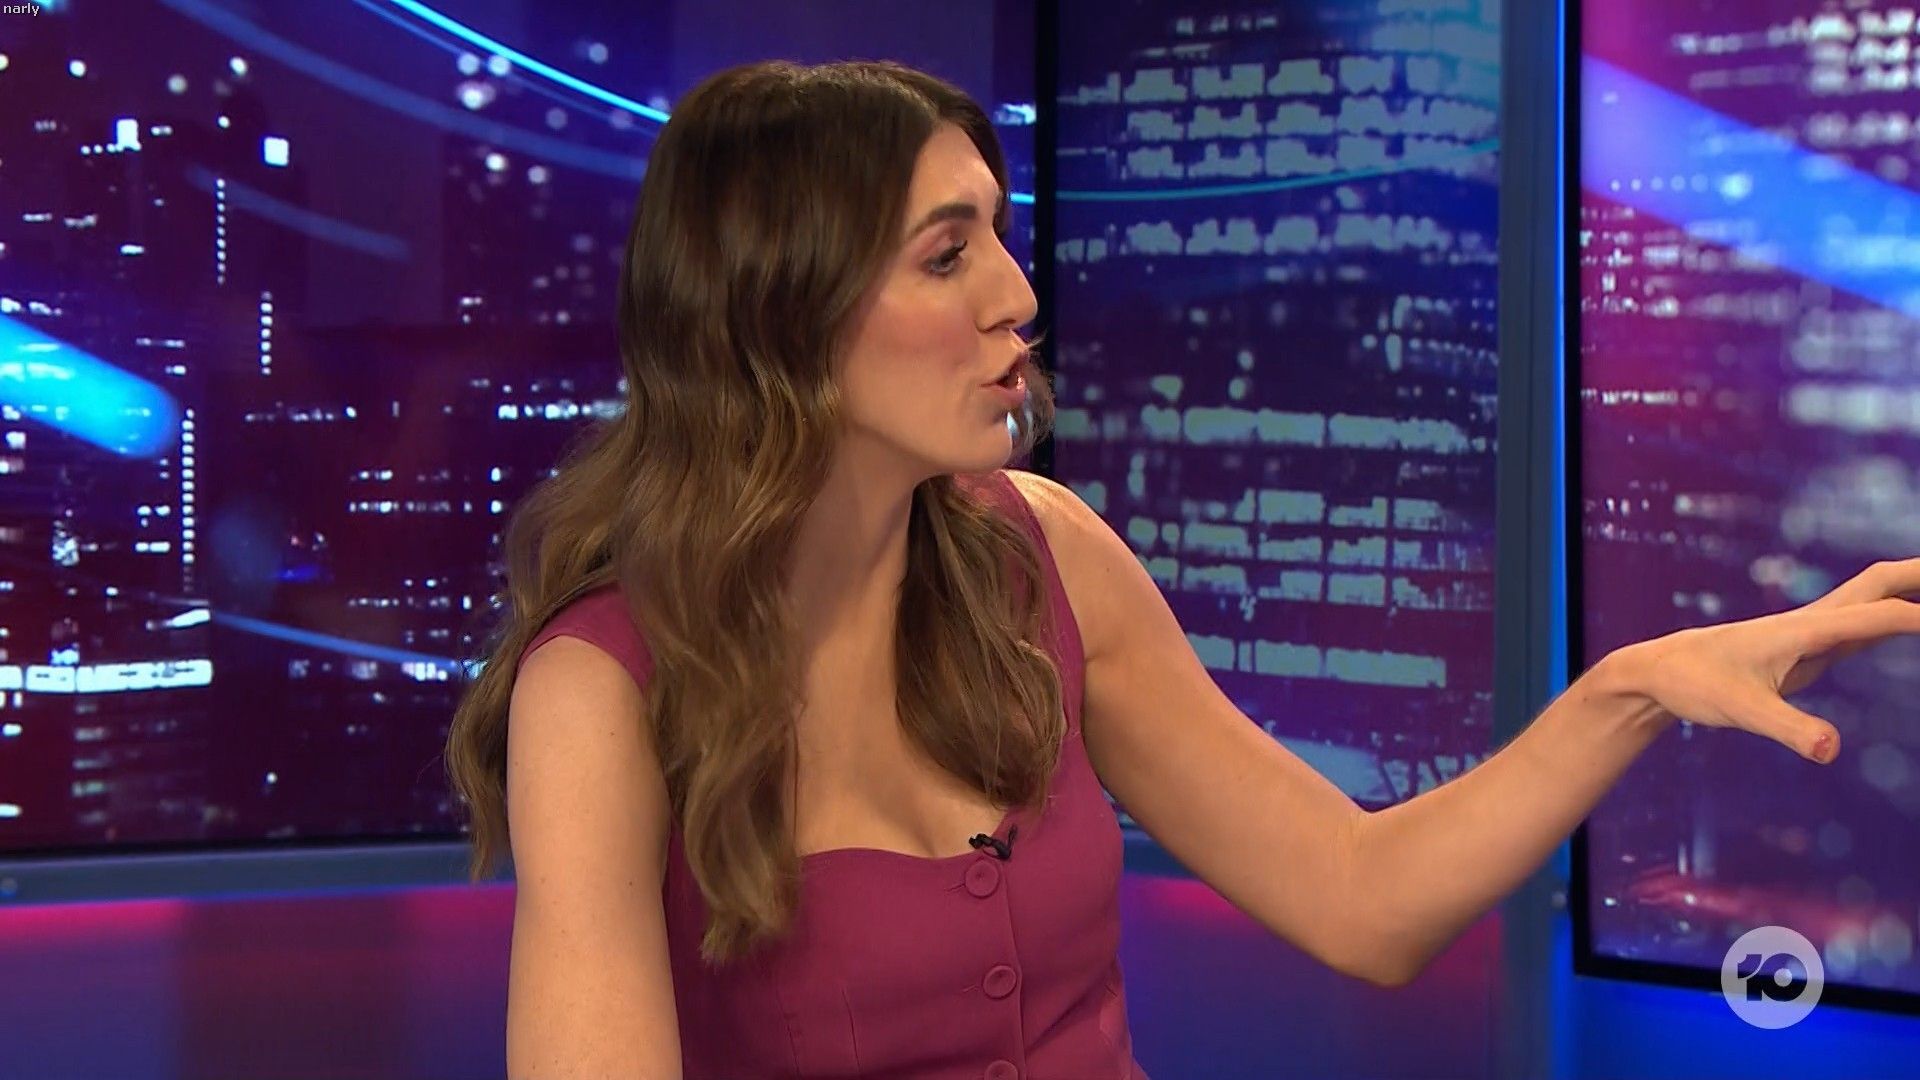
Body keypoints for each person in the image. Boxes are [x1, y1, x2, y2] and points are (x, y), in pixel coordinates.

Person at [444, 58, 1920, 1080]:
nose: (1017, 294)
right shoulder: (603, 692)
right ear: (780, 313)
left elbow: (1361, 895)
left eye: (1001, 238)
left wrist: (1631, 691)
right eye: (946, 257)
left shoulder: (1044, 556)